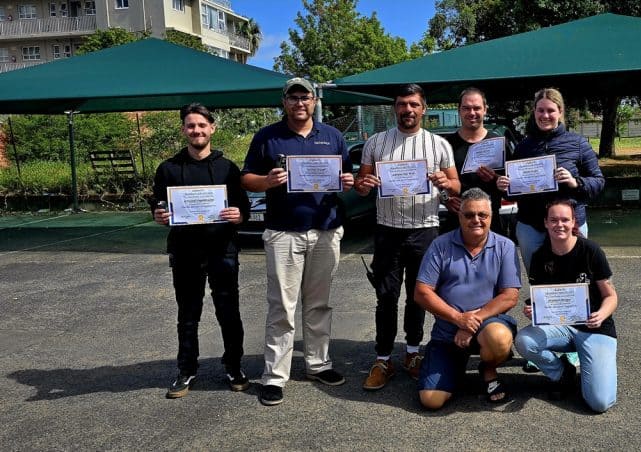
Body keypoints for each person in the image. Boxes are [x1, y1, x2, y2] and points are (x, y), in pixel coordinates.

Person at [241, 77, 354, 406]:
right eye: (293, 98)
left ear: (315, 101)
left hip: (325, 230)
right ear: (284, 102)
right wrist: (267, 180)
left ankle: (318, 364)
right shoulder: (267, 137)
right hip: (283, 232)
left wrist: (347, 179)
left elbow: (346, 176)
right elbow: (246, 177)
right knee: (282, 307)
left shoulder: (331, 136)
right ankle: (275, 375)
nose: (299, 103)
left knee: (319, 303)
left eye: (305, 97)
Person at [355, 83, 460, 390]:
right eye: (402, 104)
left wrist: (446, 182)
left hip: (425, 229)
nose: (408, 109)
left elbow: (455, 186)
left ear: (423, 108)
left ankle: (412, 353)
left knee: (419, 296)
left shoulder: (438, 145)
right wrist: (364, 183)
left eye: (414, 104)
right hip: (387, 229)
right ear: (395, 108)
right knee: (386, 296)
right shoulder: (376, 142)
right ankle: (383, 358)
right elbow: (361, 183)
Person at [496, 87, 604, 373]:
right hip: (531, 225)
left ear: (560, 113)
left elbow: (599, 182)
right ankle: (541, 344)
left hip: (570, 226)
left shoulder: (578, 143)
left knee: (574, 284)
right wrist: (506, 187)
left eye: (551, 110)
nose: (545, 115)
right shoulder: (524, 146)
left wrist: (575, 182)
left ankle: (572, 346)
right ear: (534, 113)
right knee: (540, 284)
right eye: (540, 110)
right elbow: (518, 189)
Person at [152, 103, 251, 399]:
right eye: (190, 125)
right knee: (188, 315)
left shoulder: (227, 167)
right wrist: (159, 214)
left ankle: (234, 366)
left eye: (201, 125)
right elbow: (158, 204)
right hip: (185, 252)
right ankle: (186, 370)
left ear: (212, 128)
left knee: (228, 312)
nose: (196, 130)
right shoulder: (168, 168)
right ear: (183, 130)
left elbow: (242, 206)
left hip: (223, 250)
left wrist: (239, 216)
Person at [414, 188, 521, 409]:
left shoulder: (505, 246)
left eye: (483, 215)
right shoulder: (440, 245)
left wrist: (470, 322)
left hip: (488, 324)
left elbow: (510, 296)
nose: (476, 220)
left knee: (499, 338)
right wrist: (457, 319)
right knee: (430, 401)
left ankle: (488, 368)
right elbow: (422, 292)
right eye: (469, 214)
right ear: (459, 216)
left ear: (491, 216)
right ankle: (454, 364)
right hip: (448, 331)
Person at [514, 199, 618, 413]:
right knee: (524, 340)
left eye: (564, 220)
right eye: (553, 220)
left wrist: (601, 314)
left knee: (600, 403)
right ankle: (562, 372)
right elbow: (540, 300)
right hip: (561, 327)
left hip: (594, 328)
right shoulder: (540, 256)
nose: (559, 225)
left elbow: (611, 296)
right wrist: (533, 311)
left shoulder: (591, 250)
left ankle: (595, 369)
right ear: (545, 223)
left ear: (573, 223)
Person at [442, 87, 514, 235]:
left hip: (490, 222)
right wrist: (445, 199)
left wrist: (495, 178)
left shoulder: (499, 143)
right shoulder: (446, 145)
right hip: (456, 221)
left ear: (485, 110)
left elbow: (512, 188)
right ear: (459, 110)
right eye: (466, 108)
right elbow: (435, 183)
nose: (472, 113)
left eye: (477, 108)